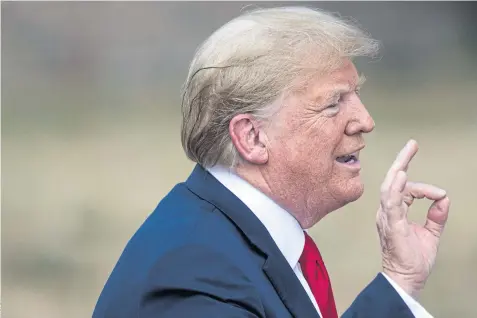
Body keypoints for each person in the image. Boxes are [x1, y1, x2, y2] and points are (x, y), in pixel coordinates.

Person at [93, 7, 450, 318]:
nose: (365, 120)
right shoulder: (192, 275)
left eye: (356, 94)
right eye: (333, 103)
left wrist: (400, 278)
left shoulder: (228, 234)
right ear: (252, 137)